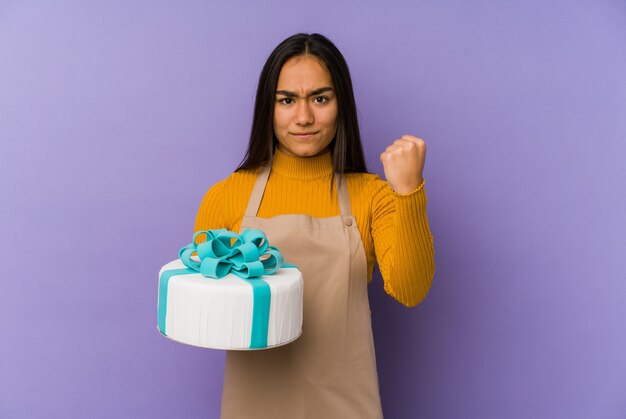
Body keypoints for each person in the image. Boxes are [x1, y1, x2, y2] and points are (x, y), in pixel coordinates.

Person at [194, 32, 435, 419]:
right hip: (255, 404)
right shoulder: (227, 196)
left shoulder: (373, 195)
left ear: (342, 105)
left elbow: (411, 289)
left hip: (345, 404)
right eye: (287, 100)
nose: (304, 117)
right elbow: (205, 312)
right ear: (267, 109)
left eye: (320, 98)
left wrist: (407, 191)